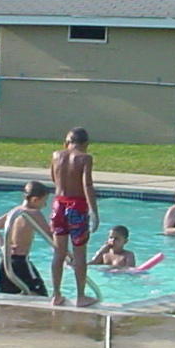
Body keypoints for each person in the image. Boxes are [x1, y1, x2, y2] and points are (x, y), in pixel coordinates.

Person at [49, 127, 100, 307]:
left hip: (58, 204)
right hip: (76, 206)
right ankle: (80, 296)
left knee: (59, 252)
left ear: (67, 142)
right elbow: (87, 184)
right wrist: (94, 211)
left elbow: (53, 178)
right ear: (85, 144)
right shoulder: (85, 158)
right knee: (79, 254)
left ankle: (56, 295)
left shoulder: (56, 155)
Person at [0, 181, 52, 296]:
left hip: (4, 260)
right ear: (35, 200)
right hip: (20, 261)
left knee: (8, 296)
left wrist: (3, 246)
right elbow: (50, 237)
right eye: (44, 202)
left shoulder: (15, 211)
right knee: (40, 294)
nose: (45, 205)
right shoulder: (34, 213)